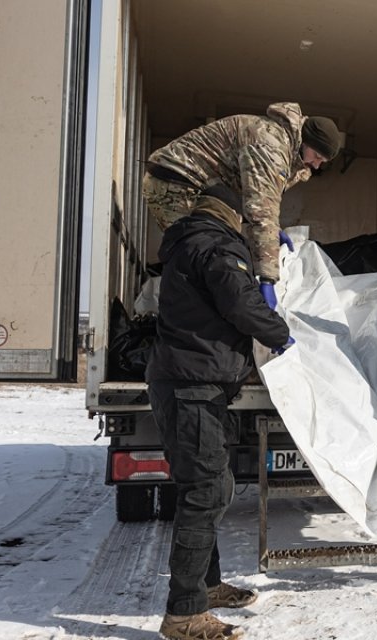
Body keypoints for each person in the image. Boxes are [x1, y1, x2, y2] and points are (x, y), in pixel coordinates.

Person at [147, 185, 294, 640]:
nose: (251, 227)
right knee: (207, 491)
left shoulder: (190, 241)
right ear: (233, 215)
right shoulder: (215, 245)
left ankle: (206, 587)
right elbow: (240, 304)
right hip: (193, 386)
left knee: (208, 486)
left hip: (190, 382)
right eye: (247, 220)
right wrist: (280, 332)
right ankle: (184, 614)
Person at [141, 102, 344, 308]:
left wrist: (273, 232)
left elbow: (253, 198)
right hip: (176, 184)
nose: (317, 165)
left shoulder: (284, 143)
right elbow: (261, 211)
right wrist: (267, 278)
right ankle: (177, 326)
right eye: (317, 156)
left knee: (214, 258)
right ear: (306, 142)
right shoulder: (270, 145)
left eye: (322, 161)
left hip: (198, 188)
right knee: (199, 260)